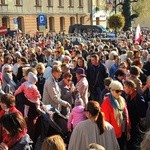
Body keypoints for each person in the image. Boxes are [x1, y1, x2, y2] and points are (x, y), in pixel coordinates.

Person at [101, 80, 130, 150]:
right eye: (117, 91)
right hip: (113, 134)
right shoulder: (107, 102)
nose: (119, 93)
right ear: (111, 90)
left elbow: (127, 115)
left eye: (121, 91)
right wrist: (108, 135)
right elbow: (105, 121)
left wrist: (128, 130)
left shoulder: (122, 99)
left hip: (123, 131)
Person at [124, 80, 146, 150]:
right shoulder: (129, 96)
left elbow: (142, 113)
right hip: (130, 124)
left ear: (130, 88)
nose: (123, 89)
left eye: (125, 87)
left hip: (136, 126)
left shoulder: (138, 98)